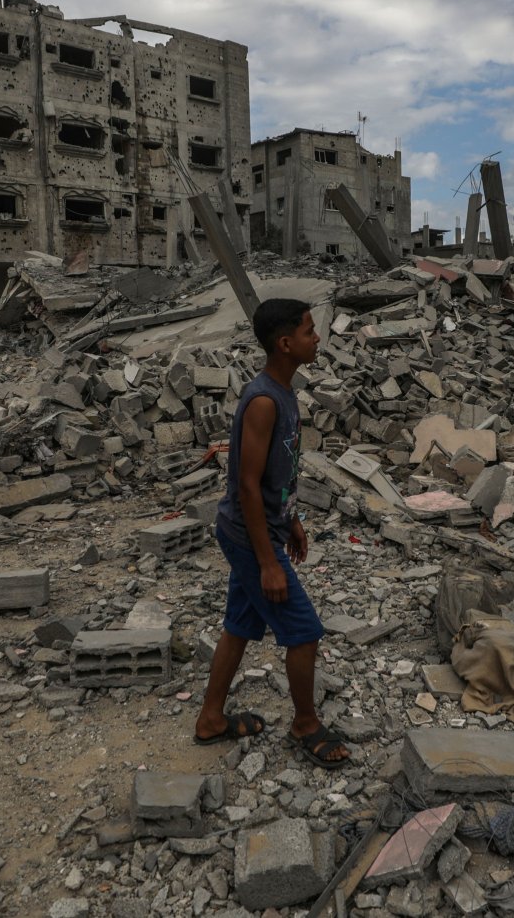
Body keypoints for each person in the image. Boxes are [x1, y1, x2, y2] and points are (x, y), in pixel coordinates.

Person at [194, 299, 349, 767]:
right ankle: (305, 724)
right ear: (285, 344)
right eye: (308, 331)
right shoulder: (263, 401)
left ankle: (211, 720)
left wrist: (292, 519)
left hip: (259, 528)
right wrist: (266, 561)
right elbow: (245, 482)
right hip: (246, 536)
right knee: (303, 632)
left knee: (240, 625)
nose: (316, 338)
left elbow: (274, 475)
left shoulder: (283, 392)